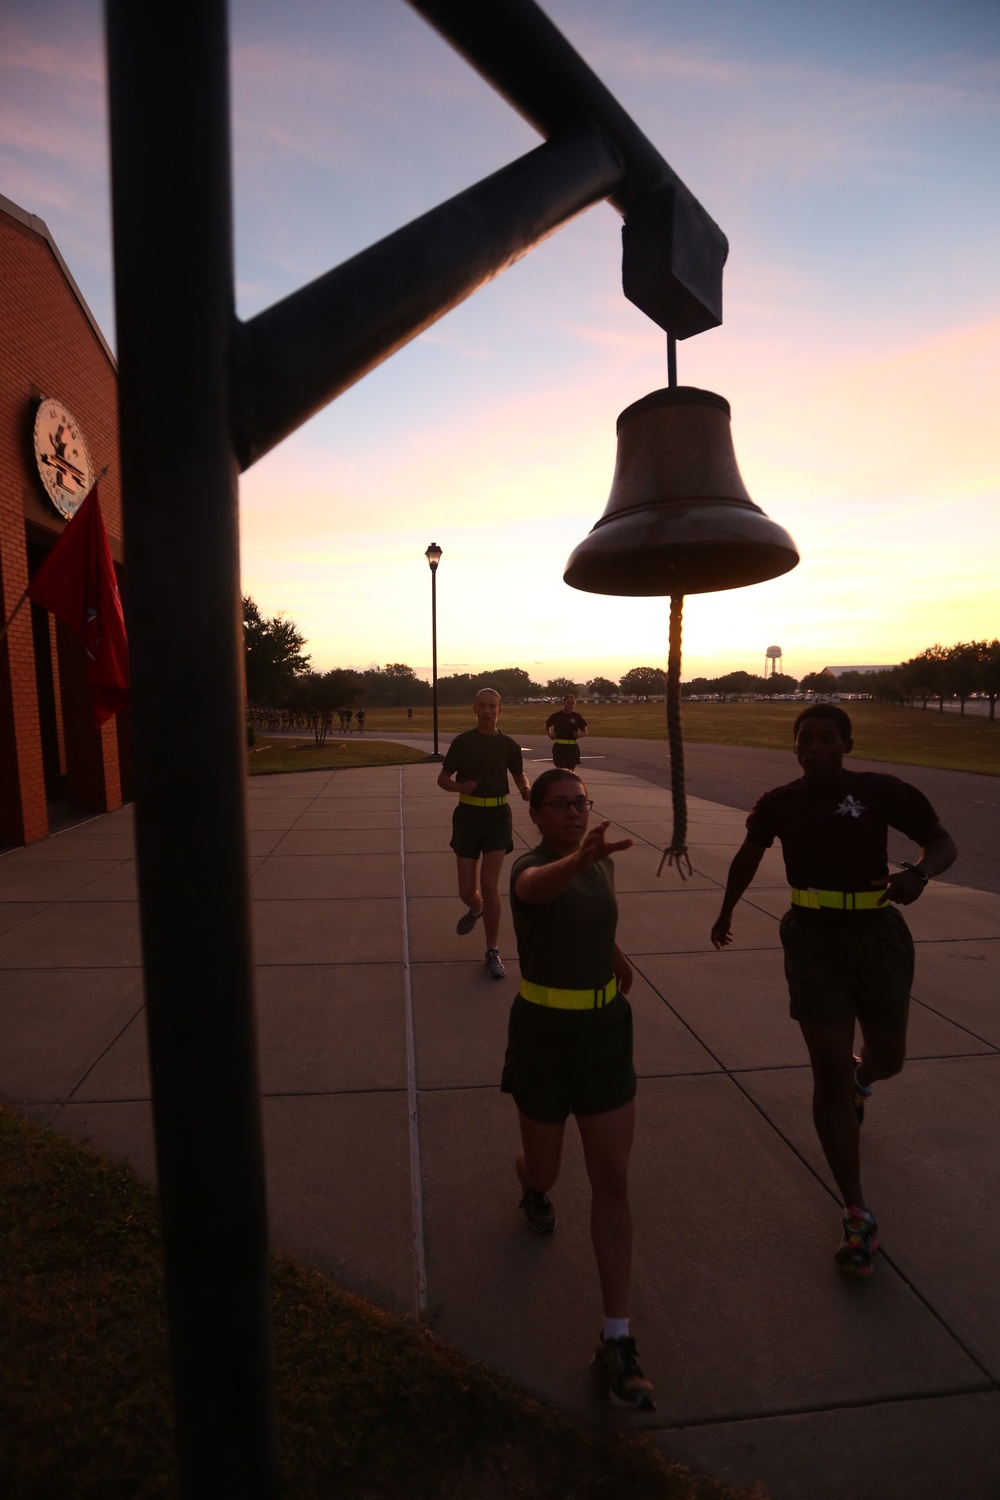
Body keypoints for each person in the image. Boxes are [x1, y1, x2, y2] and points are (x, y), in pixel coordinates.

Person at [710, 703, 957, 1277]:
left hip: (877, 936)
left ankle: (863, 1081)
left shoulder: (881, 790)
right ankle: (856, 1213)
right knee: (827, 1075)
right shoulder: (779, 802)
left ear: (847, 743)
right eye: (805, 739)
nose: (815, 747)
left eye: (826, 738)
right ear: (794, 746)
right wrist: (725, 911)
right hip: (811, 941)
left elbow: (941, 842)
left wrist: (918, 874)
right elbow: (749, 854)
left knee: (887, 1058)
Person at [502, 767, 654, 1411]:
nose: (572, 812)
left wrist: (617, 959)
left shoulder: (600, 862)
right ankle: (531, 1185)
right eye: (559, 805)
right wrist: (580, 857)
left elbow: (595, 917)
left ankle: (616, 1339)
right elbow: (540, 891)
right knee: (546, 1168)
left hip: (603, 1034)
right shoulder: (528, 866)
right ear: (534, 814)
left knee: (612, 1178)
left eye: (580, 803)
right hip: (543, 1034)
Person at [437, 688, 530, 979]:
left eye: (492, 706)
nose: (487, 711)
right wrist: (458, 787)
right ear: (474, 709)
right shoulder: (463, 742)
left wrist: (525, 789)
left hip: (497, 818)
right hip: (467, 817)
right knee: (467, 891)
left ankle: (492, 950)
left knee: (490, 886)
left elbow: (518, 775)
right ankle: (475, 908)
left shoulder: (509, 745)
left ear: (500, 710)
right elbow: (442, 778)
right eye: (482, 706)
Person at [544, 693, 588, 770]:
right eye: (568, 702)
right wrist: (550, 734)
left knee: (570, 772)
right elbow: (547, 725)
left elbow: (585, 731)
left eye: (572, 703)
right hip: (559, 747)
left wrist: (580, 735)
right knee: (562, 770)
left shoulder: (577, 716)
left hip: (572, 748)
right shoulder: (556, 716)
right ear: (563, 702)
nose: (570, 705)